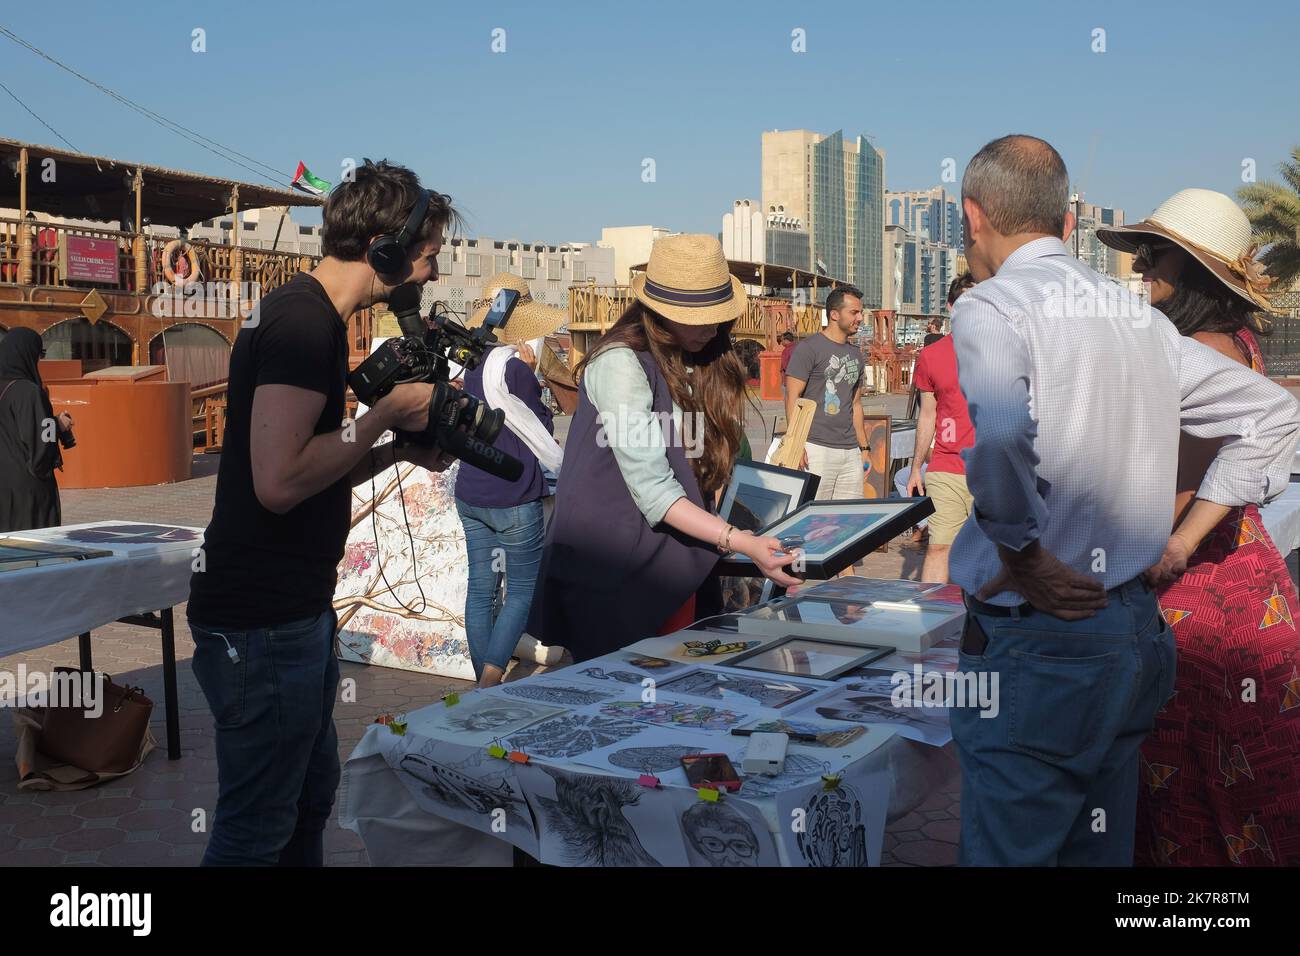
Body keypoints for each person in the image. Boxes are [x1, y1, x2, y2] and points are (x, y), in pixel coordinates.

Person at [948, 135, 1298, 867]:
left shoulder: (993, 307)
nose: (1140, 266)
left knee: (1015, 848)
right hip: (1133, 635)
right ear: (1068, 225)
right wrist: (1174, 541)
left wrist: (1022, 550)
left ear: (972, 216)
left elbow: (1003, 435)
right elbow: (1276, 416)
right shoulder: (1139, 320)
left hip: (1042, 639)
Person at [186, 160, 459, 866]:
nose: (430, 275)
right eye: (428, 257)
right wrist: (389, 413)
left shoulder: (310, 317)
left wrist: (396, 449)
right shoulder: (303, 324)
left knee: (307, 803)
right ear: (386, 250)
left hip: (289, 615)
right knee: (257, 827)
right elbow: (279, 482)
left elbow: (311, 466)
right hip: (262, 623)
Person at [1097, 188, 1300, 866]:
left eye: (1153, 255)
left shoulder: (1197, 352)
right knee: (1243, 794)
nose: (1138, 266)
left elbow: (1177, 488)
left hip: (1196, 597)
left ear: (1193, 269)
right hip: (1245, 579)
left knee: (1186, 791)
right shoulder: (1236, 343)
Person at [528, 234, 799, 662]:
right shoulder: (620, 362)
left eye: (718, 317)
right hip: (614, 565)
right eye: (701, 318)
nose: (712, 328)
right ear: (661, 312)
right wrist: (740, 541)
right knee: (623, 693)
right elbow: (655, 491)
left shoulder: (688, 356)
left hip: (672, 557)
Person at [456, 272, 564, 688]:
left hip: (470, 490)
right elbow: (540, 426)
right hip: (513, 494)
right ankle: (488, 685)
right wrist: (532, 372)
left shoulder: (468, 363)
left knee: (480, 589)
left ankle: (481, 681)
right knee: (518, 591)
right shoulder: (515, 369)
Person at [906, 272, 978, 579]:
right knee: (939, 547)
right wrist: (914, 468)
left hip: (993, 468)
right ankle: (929, 615)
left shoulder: (1006, 348)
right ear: (951, 306)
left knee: (988, 554)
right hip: (946, 465)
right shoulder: (931, 355)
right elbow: (927, 415)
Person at [785, 286, 869, 500]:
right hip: (815, 447)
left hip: (850, 450)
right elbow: (792, 398)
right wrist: (797, 444)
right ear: (834, 314)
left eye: (860, 312)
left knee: (847, 521)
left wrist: (864, 447)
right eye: (854, 312)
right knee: (812, 520)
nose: (860, 318)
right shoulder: (808, 348)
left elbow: (856, 404)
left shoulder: (856, 354)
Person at [0, 328, 73, 532]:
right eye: (39, 354)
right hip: (26, 493)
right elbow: (42, 444)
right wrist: (57, 425)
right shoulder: (29, 392)